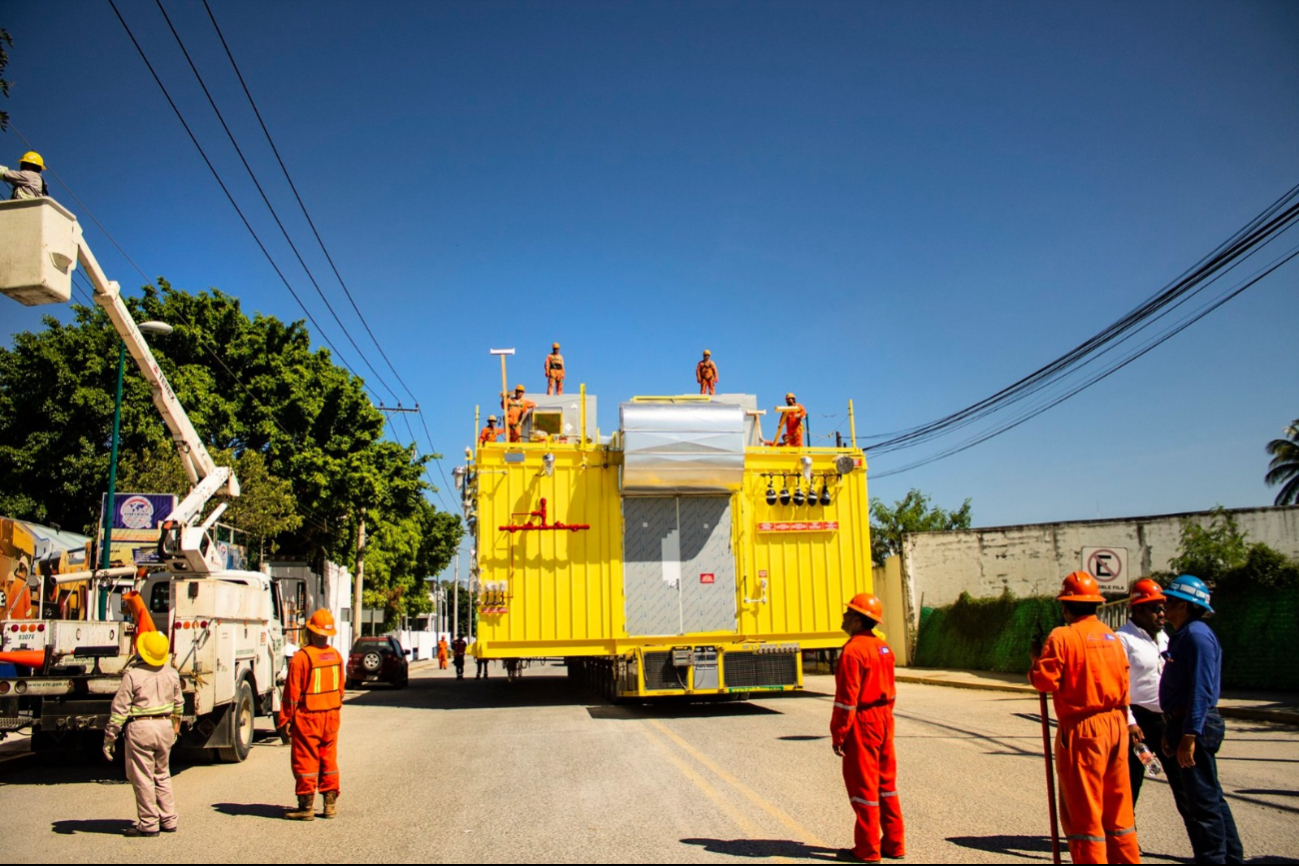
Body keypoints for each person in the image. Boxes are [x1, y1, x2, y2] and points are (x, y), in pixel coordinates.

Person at [1029, 571, 1139, 865]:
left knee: (1085, 815)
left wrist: (1035, 661)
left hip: (1083, 730)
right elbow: (1125, 683)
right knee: (1119, 811)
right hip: (1117, 724)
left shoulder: (1063, 636)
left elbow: (1045, 681)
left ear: (1066, 606)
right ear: (1095, 605)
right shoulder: (1112, 636)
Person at [1159, 575, 1244, 864]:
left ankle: (1215, 859)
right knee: (1209, 799)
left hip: (1194, 724)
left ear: (1184, 605)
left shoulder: (1196, 636)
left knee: (1203, 805)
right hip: (1181, 723)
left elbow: (1200, 688)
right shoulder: (1185, 635)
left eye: (1169, 601)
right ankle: (1231, 858)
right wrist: (1171, 730)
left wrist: (1189, 734)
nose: (1163, 606)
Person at [830, 592, 905, 863]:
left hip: (863, 722)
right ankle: (894, 844)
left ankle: (867, 850)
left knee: (864, 787)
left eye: (848, 613)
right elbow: (891, 690)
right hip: (885, 720)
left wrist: (839, 733)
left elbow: (846, 700)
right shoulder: (883, 648)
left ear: (858, 620)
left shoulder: (853, 650)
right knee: (886, 784)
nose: (843, 616)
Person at [102, 631, 183, 837]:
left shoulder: (133, 675)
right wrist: (175, 726)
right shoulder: (172, 673)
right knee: (162, 773)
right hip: (165, 727)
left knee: (143, 777)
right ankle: (169, 819)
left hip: (141, 728)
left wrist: (110, 737)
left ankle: (148, 823)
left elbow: (120, 710)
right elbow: (179, 704)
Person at [279, 609, 344, 821]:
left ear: (309, 630)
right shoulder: (335, 656)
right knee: (328, 758)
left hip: (309, 717)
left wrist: (285, 719)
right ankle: (330, 805)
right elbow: (341, 689)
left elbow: (291, 694)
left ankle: (306, 807)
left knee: (306, 759)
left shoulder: (302, 658)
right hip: (331, 715)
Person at [1116, 578, 1169, 808]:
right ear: (1138, 610)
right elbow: (1117, 684)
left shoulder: (1165, 637)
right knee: (1130, 783)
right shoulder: (1123, 639)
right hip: (1138, 722)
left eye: (1163, 607)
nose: (1161, 613)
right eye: (1155, 608)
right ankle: (1125, 836)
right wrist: (1129, 721)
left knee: (1182, 782)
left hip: (1166, 719)